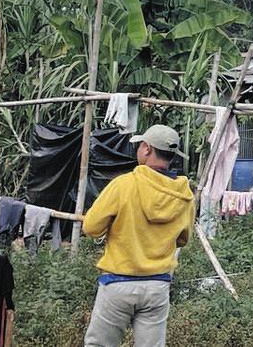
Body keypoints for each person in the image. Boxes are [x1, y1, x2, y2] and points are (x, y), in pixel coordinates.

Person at [82, 123, 194, 347]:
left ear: (146, 149)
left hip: (118, 283)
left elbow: (91, 228)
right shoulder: (184, 194)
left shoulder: (124, 185)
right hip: (157, 286)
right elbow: (183, 238)